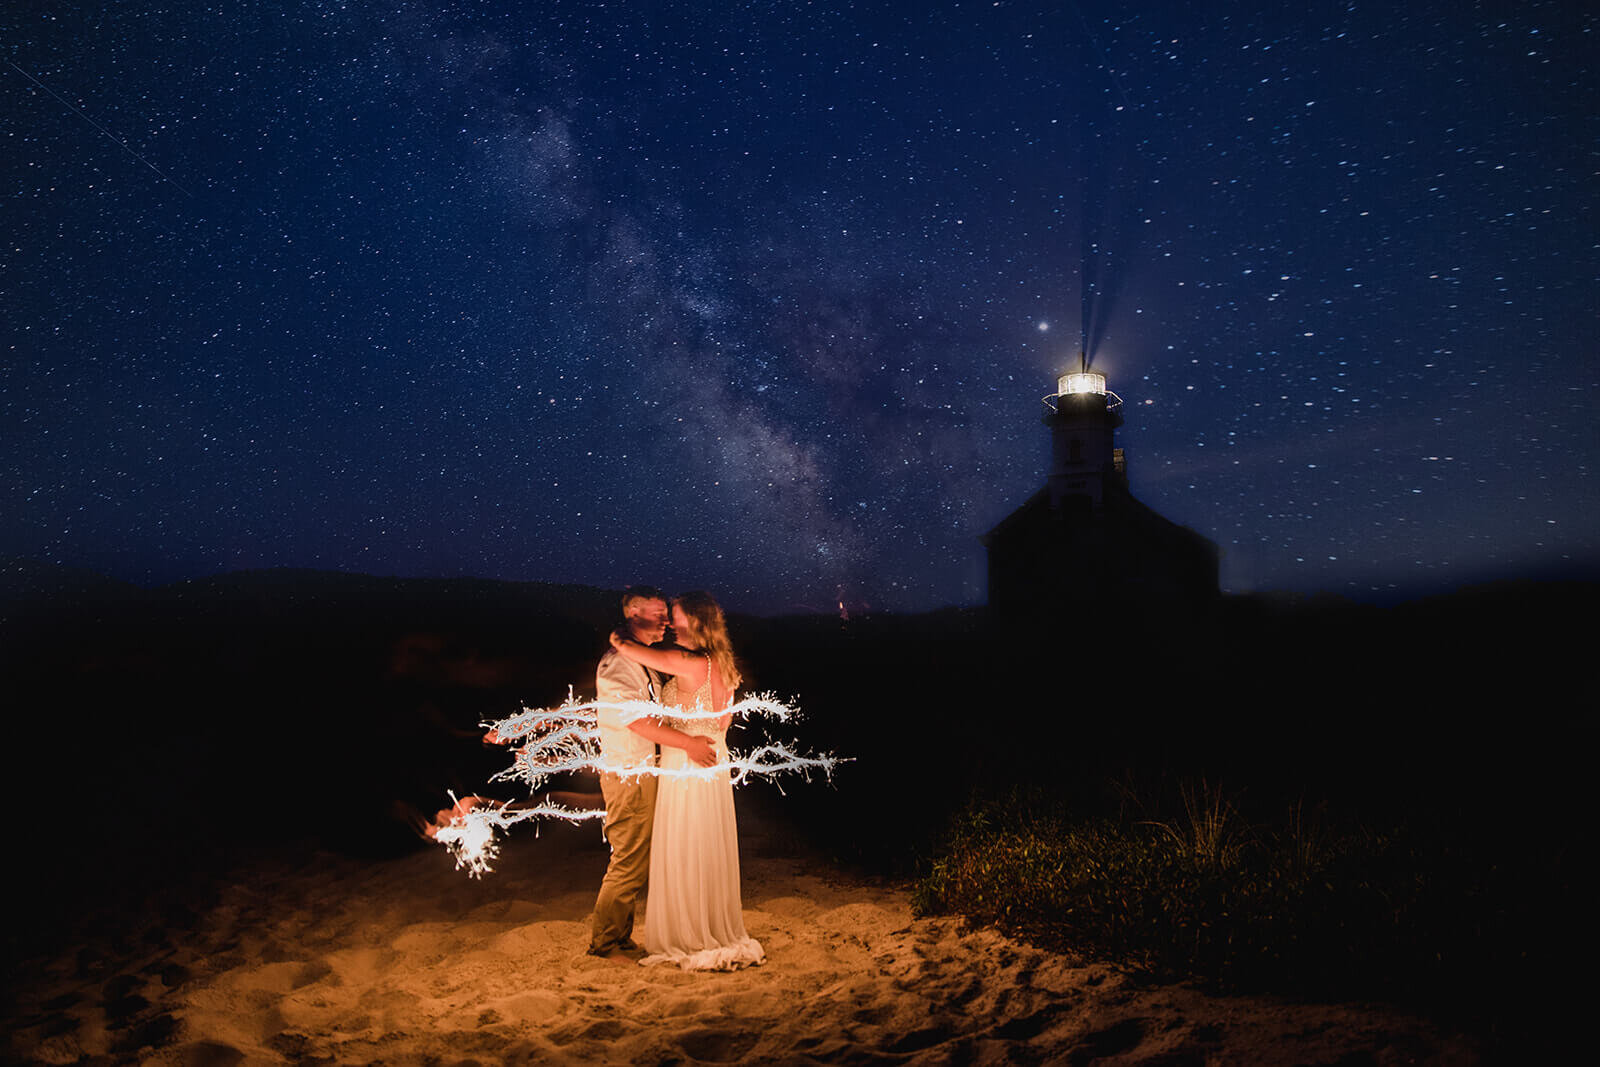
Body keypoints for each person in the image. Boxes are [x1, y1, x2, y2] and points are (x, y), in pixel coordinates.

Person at [608, 590, 765, 971]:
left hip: (686, 765)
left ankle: (688, 934)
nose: (669, 626)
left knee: (685, 845)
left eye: (674, 618)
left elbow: (627, 648)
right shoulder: (722, 665)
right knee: (706, 846)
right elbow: (723, 722)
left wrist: (619, 633)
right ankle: (712, 925)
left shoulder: (688, 661)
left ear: (695, 622)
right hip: (714, 764)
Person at [589, 587, 718, 960]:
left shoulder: (642, 660)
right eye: (658, 613)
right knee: (628, 860)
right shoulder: (619, 663)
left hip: (642, 770)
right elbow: (636, 721)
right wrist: (687, 744)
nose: (665, 621)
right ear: (632, 613)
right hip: (629, 772)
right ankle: (606, 944)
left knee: (635, 858)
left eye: (666, 614)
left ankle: (619, 936)